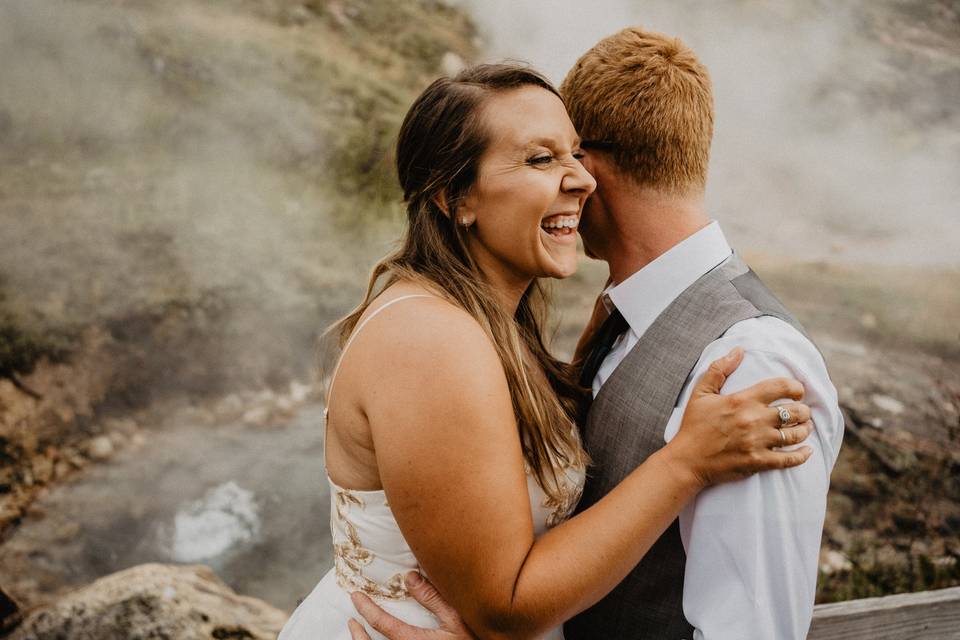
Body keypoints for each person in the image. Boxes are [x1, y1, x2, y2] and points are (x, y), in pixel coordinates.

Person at [279, 63, 815, 640]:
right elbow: (504, 607)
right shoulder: (430, 340)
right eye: (541, 159)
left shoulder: (487, 324)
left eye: (575, 154)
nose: (582, 180)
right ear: (455, 196)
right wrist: (687, 462)